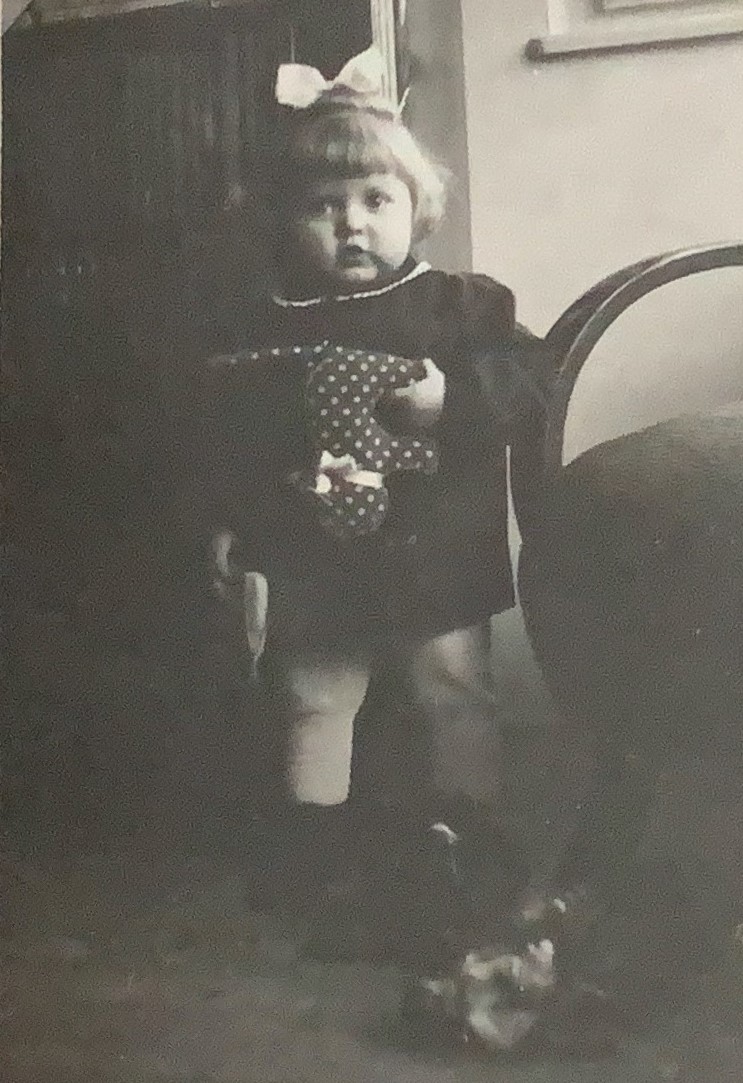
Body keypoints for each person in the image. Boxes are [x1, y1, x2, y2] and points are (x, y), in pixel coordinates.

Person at [196, 48, 556, 951]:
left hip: (434, 549)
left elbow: (530, 390)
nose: (351, 223)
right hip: (309, 553)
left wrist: (453, 401)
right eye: (323, 206)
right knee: (315, 695)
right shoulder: (264, 321)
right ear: (286, 222)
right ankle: (316, 854)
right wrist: (228, 521)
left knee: (452, 688)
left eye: (374, 200)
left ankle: (467, 840)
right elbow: (234, 436)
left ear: (416, 208)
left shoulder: (454, 307)